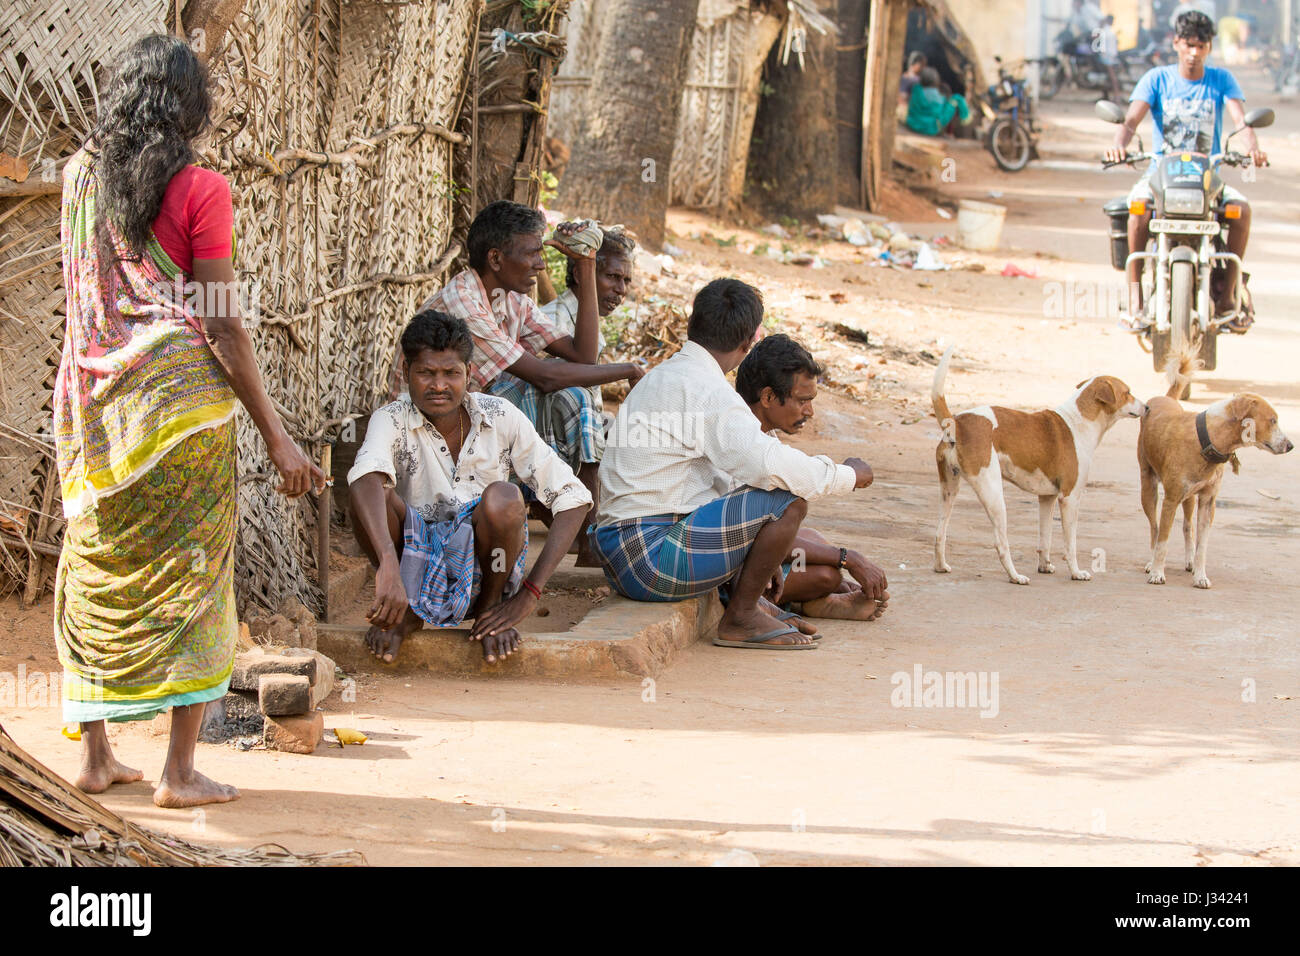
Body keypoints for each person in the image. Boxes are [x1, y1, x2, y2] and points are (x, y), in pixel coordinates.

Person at [53, 35, 324, 808]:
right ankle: (178, 772)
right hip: (181, 412)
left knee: (97, 567)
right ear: (191, 106)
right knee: (195, 578)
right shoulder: (201, 187)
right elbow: (222, 325)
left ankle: (97, 758)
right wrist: (277, 435)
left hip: (94, 411)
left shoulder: (77, 178)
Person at [588, 279, 877, 650]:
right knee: (787, 500)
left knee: (774, 509)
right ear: (746, 344)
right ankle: (740, 618)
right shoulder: (707, 390)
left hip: (620, 554)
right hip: (649, 558)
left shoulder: (662, 376)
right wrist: (851, 474)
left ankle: (753, 604)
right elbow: (774, 467)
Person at [347, 311, 592, 664]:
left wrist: (529, 594)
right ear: (406, 373)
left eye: (451, 373)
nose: (439, 385)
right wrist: (387, 564)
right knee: (368, 487)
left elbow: (573, 498)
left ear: (470, 375)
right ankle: (407, 614)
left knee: (503, 497)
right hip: (411, 572)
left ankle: (490, 614)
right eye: (426, 373)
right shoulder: (391, 418)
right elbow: (366, 477)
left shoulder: (501, 415)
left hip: (485, 569)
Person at [421, 201, 642, 566]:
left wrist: (586, 263)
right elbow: (544, 375)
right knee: (537, 387)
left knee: (575, 392)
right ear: (495, 258)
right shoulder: (464, 300)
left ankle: (586, 534)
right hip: (434, 428)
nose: (541, 264)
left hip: (479, 422)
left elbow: (582, 357)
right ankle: (570, 521)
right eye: (533, 254)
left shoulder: (513, 301)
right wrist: (627, 370)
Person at [1104, 9, 1267, 332]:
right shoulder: (1157, 79)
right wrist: (1118, 144)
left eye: (1202, 45)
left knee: (1241, 211)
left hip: (1207, 176)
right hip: (1160, 173)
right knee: (1137, 210)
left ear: (1209, 47)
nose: (1194, 52)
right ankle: (1135, 301)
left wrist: (1252, 148)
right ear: (1176, 43)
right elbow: (1131, 121)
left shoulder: (1221, 79)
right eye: (1188, 44)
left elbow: (1241, 121)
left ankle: (1228, 297)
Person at [734, 335, 889, 621]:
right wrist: (847, 558)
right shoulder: (743, 441)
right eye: (803, 401)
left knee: (812, 540)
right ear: (768, 397)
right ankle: (813, 600)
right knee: (825, 574)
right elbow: (757, 539)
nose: (810, 411)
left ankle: (815, 599)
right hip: (729, 564)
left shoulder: (760, 431)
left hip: (745, 547)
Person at [905, 67, 971, 137]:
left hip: (913, 124)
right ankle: (965, 117)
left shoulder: (916, 89)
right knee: (956, 98)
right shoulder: (937, 95)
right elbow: (940, 110)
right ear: (935, 80)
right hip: (930, 128)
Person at [1097, 15, 1121, 101]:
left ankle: (1117, 96)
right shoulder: (1109, 31)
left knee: (1112, 77)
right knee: (1108, 77)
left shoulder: (1106, 32)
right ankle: (1108, 96)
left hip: (1107, 58)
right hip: (1110, 56)